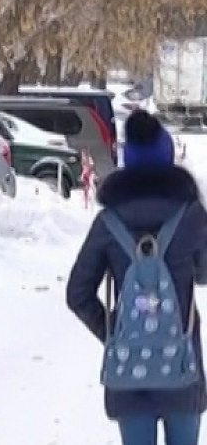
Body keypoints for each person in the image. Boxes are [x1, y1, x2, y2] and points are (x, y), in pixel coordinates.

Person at [67, 109, 207, 445]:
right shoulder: (192, 216)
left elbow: (77, 294)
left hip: (129, 376)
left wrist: (115, 333)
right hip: (182, 368)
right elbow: (203, 274)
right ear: (168, 156)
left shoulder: (108, 222)